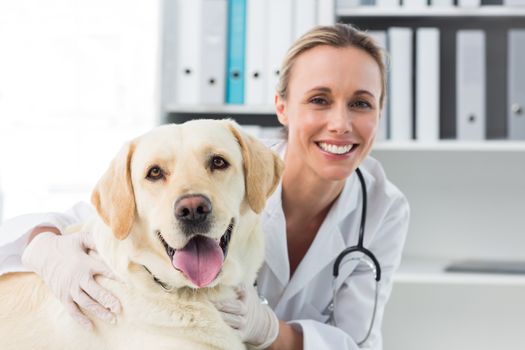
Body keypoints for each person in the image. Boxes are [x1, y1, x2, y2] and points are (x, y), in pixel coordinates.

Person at [0, 24, 409, 349]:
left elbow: (356, 343)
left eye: (361, 103)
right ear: (282, 107)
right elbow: (101, 215)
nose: (340, 123)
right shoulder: (238, 159)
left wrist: (268, 331)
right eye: (319, 100)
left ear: (379, 111)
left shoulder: (383, 208)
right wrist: (45, 246)